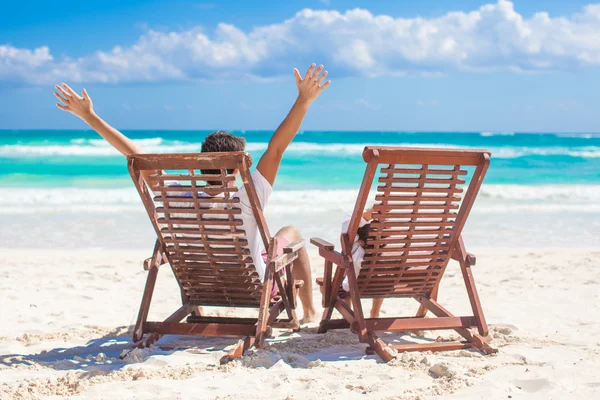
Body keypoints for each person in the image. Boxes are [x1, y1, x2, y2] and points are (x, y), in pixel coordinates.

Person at [53, 63, 331, 323]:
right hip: (254, 287)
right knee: (292, 233)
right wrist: (303, 100)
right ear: (237, 169)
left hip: (203, 285)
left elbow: (135, 153)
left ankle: (304, 311)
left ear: (200, 170)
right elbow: (277, 149)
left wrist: (89, 116)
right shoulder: (248, 196)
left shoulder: (175, 197)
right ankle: (308, 313)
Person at [340, 207, 384, 318]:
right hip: (385, 286)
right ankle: (375, 313)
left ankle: (349, 313)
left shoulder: (358, 252)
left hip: (357, 286)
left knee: (346, 265)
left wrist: (369, 213)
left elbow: (348, 225)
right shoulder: (387, 253)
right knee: (379, 277)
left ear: (360, 241)